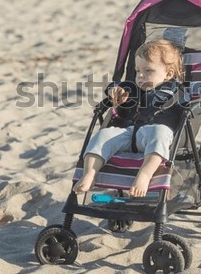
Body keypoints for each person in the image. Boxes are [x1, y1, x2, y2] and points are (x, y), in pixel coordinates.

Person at [73, 39, 184, 197]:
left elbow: (188, 107)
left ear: (168, 74)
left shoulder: (175, 91)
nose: (140, 75)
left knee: (161, 133)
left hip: (153, 135)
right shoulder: (133, 88)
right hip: (129, 132)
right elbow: (115, 86)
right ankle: (89, 174)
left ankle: (144, 176)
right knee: (103, 135)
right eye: (137, 70)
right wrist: (116, 92)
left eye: (148, 71)